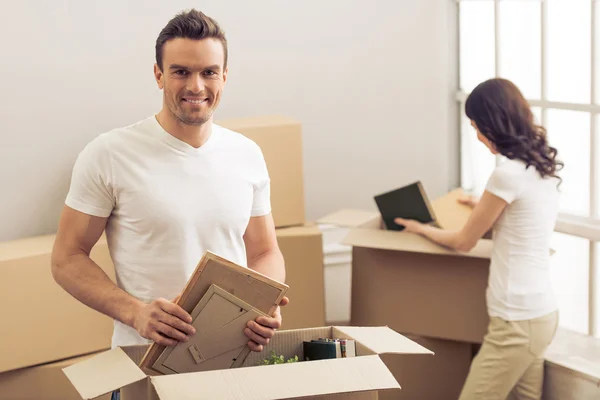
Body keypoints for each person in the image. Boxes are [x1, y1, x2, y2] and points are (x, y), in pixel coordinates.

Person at [51, 9, 287, 396]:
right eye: (181, 72)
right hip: (144, 373)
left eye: (209, 72)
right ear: (159, 74)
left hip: (233, 368)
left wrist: (265, 301)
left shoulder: (247, 154)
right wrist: (136, 312)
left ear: (225, 76)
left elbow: (265, 252)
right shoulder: (109, 153)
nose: (196, 85)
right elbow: (66, 257)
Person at [394, 78, 562, 400]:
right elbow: (523, 217)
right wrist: (483, 205)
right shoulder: (541, 168)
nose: (478, 136)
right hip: (542, 314)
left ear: (493, 124)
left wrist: (421, 228)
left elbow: (463, 241)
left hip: (515, 322)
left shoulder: (506, 174)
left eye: (476, 126)